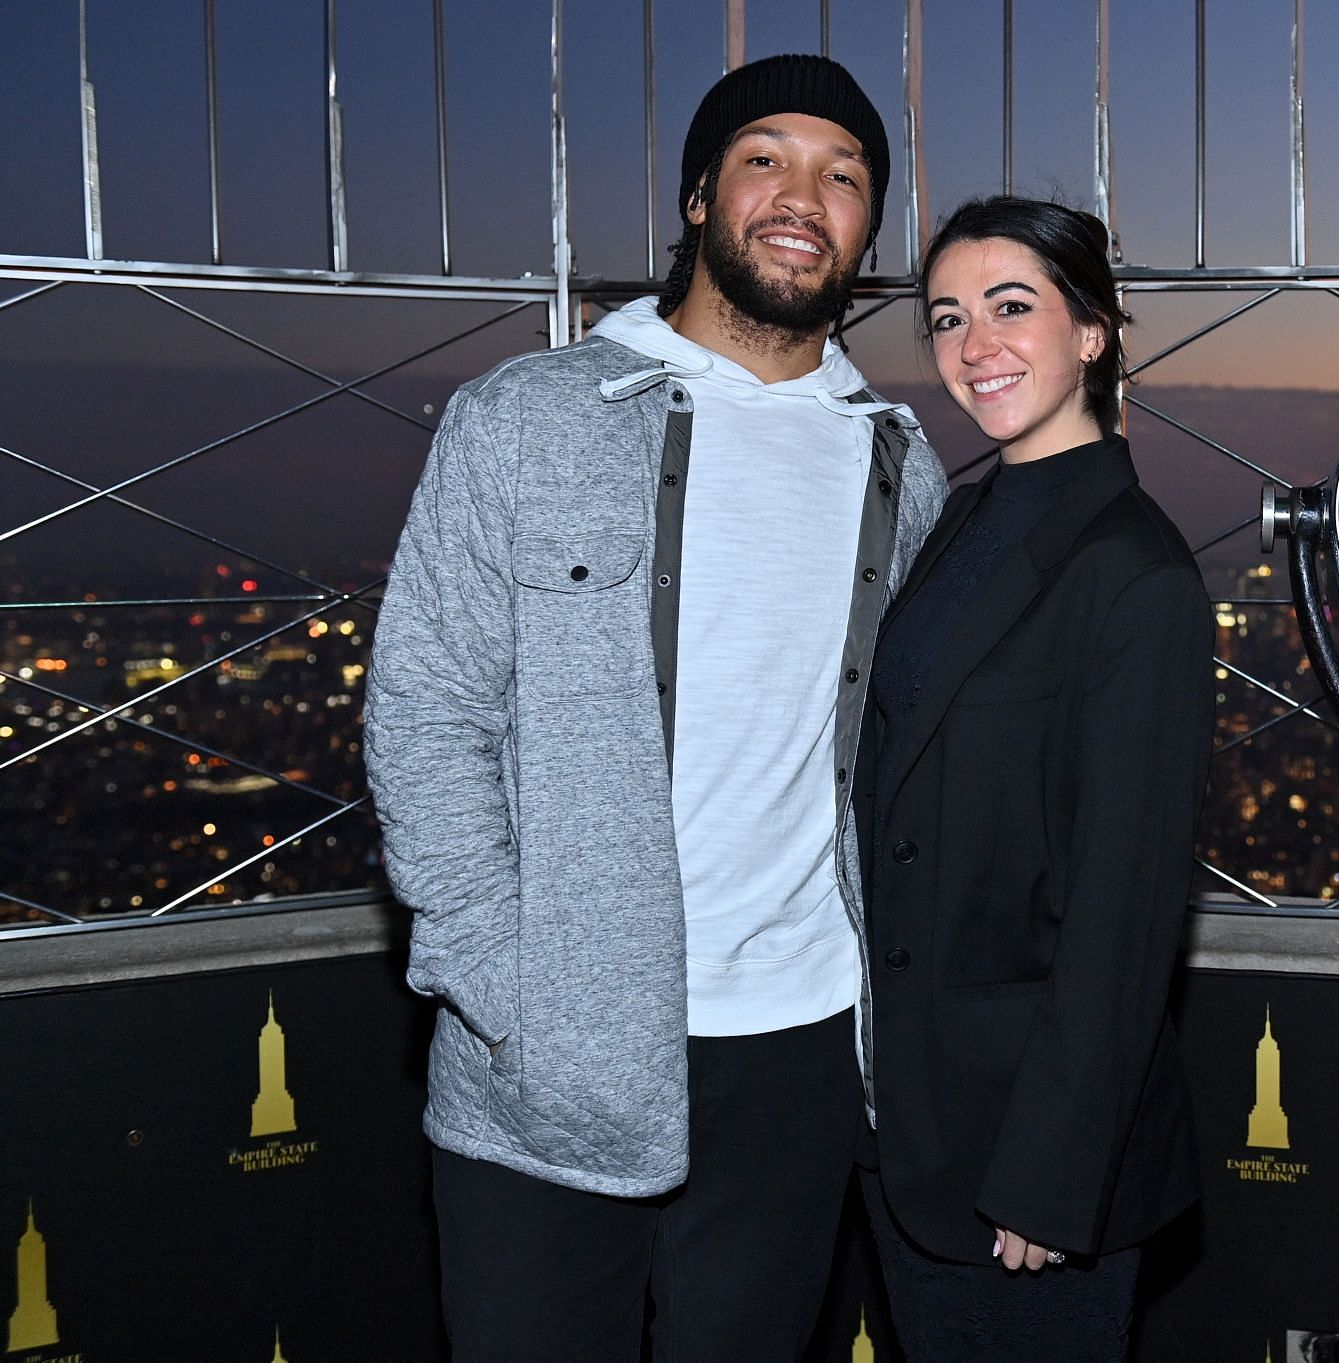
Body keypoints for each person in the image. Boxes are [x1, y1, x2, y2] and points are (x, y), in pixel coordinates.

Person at [364, 55, 946, 1363]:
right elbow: (425, 703)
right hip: (548, 1053)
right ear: (697, 197)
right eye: (766, 159)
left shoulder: (900, 467)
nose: (805, 196)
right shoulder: (525, 417)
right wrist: (501, 982)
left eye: (844, 176)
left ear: (868, 229)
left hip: (800, 1054)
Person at [854, 196, 1216, 1361]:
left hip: (1026, 1159)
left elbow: (1125, 906)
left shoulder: (1136, 570)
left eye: (1014, 307)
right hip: (910, 1114)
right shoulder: (964, 517)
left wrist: (1052, 1172)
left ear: (1095, 333)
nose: (974, 347)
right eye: (949, 317)